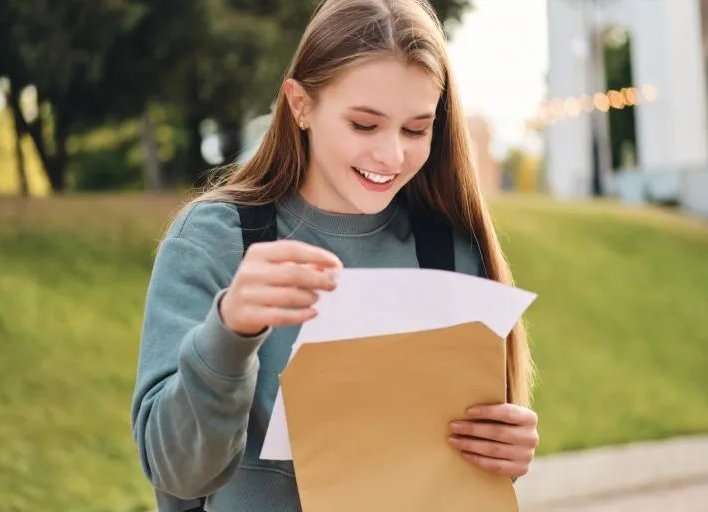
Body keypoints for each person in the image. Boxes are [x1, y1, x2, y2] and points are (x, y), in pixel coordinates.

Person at [130, 0, 540, 510]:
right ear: (300, 105)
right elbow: (179, 474)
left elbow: (450, 466)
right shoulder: (216, 241)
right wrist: (229, 332)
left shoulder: (449, 249)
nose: (392, 155)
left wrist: (504, 450)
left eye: (416, 129)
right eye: (364, 125)